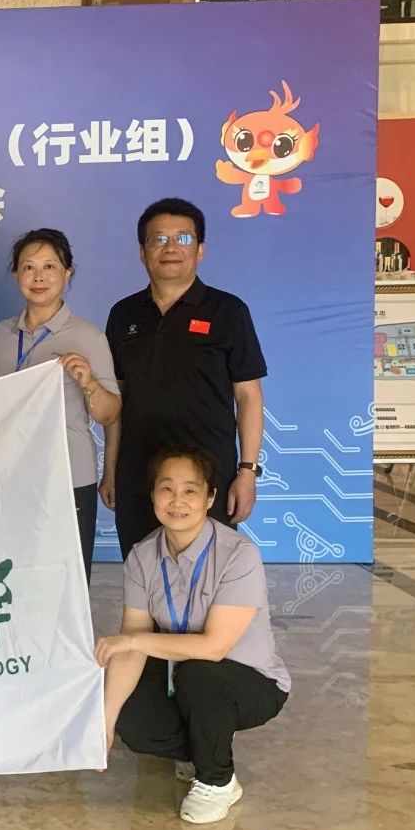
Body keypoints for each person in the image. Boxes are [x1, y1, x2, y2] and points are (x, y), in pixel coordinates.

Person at [96, 446, 288, 824]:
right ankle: (201, 746)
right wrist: (106, 722)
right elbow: (132, 643)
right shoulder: (142, 557)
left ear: (210, 498)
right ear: (153, 495)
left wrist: (133, 641)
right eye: (167, 489)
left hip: (248, 682)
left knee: (202, 672)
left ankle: (218, 780)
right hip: (181, 676)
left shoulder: (238, 555)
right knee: (133, 718)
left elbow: (214, 647)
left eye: (190, 490)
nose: (177, 501)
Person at [103, 198, 266, 561]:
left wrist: (247, 472)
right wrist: (110, 469)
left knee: (207, 576)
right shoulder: (123, 314)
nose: (170, 248)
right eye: (158, 239)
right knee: (142, 571)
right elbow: (116, 403)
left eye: (183, 238)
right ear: (142, 252)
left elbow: (249, 397)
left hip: (208, 476)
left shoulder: (228, 311)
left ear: (200, 250)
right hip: (138, 475)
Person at [0, 229, 120, 581]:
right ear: (16, 274)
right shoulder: (1, 334)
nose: (39, 277)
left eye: (50, 266)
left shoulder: (88, 336)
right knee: (11, 577)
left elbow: (110, 413)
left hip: (67, 475)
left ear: (67, 273)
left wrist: (89, 383)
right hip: (8, 474)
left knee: (65, 581)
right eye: (28, 267)